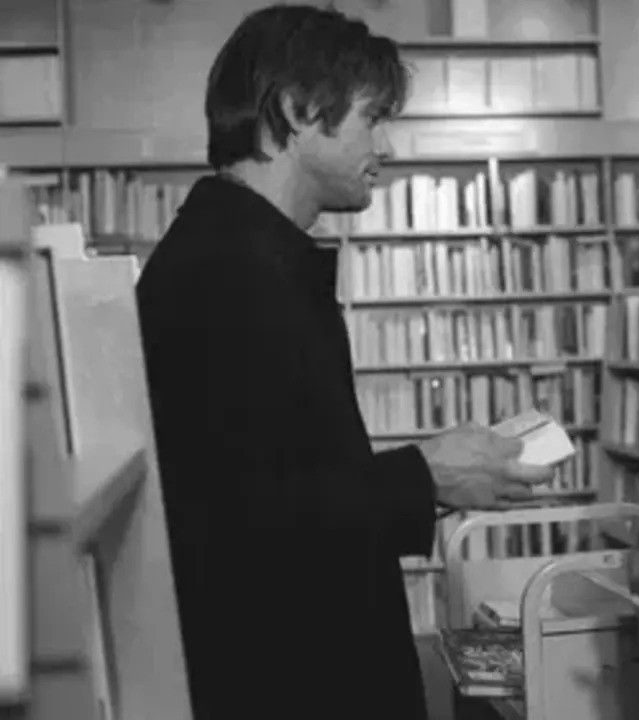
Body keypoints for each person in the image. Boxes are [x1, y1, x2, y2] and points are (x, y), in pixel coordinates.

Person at [134, 6, 552, 719]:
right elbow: (237, 527)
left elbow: (280, 480)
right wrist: (425, 474)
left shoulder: (248, 257)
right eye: (372, 118)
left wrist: (423, 476)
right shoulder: (225, 274)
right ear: (298, 111)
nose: (386, 146)